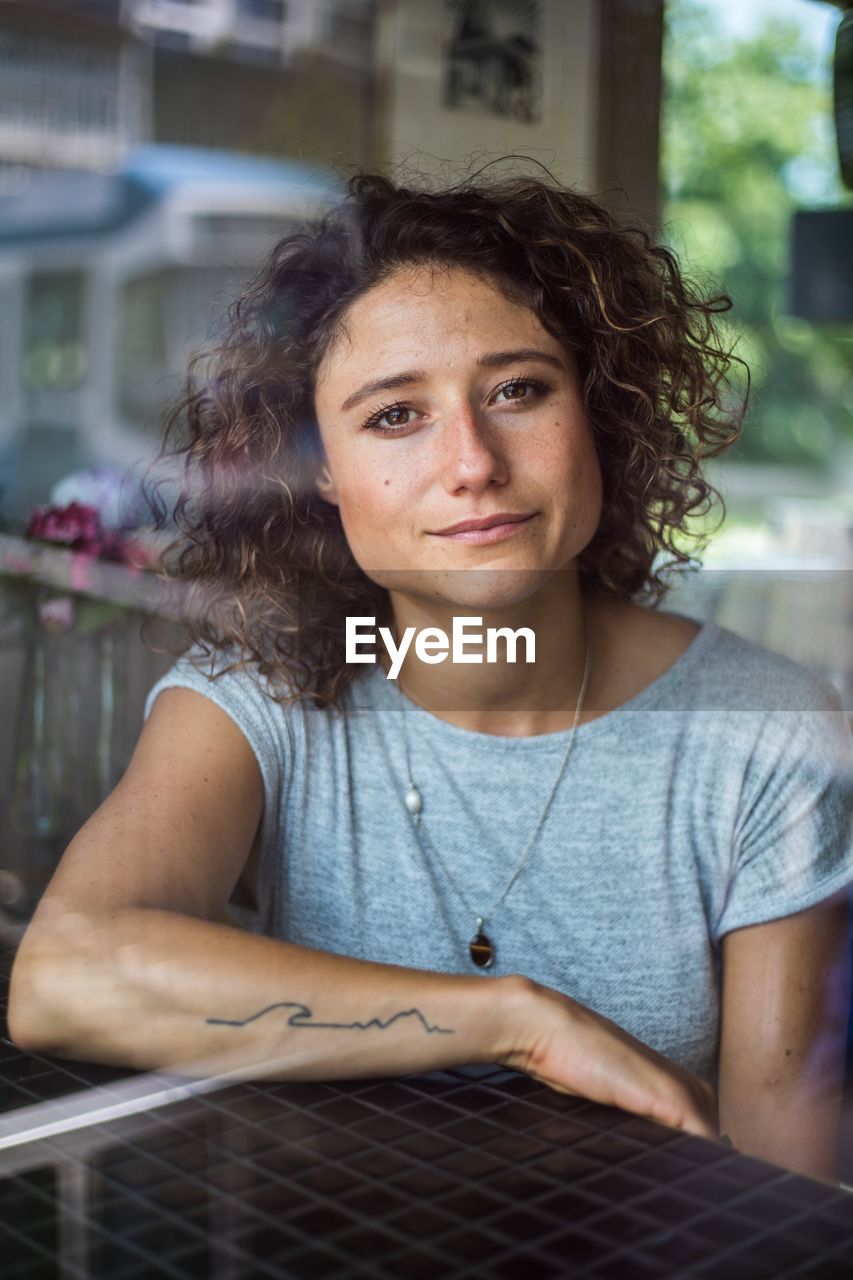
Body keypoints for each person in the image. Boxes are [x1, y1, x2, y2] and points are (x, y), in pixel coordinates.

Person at [9, 169, 853, 1183]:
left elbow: (782, 1164)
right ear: (320, 468)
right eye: (394, 415)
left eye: (517, 390)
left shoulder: (764, 730)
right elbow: (63, 973)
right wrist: (512, 1021)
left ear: (595, 410)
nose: (471, 462)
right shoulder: (258, 696)